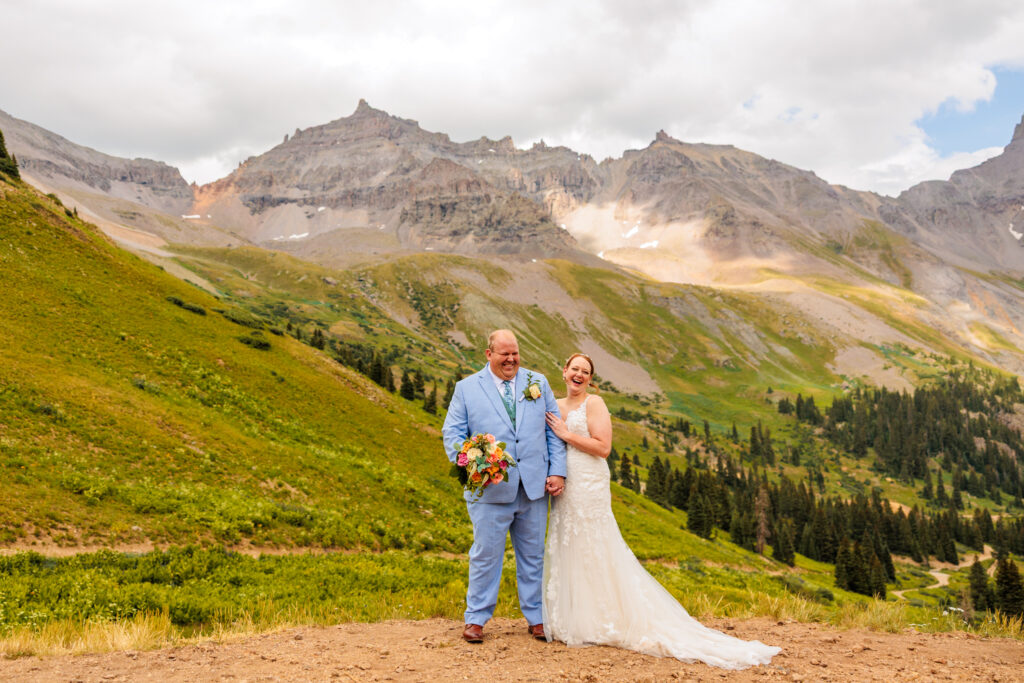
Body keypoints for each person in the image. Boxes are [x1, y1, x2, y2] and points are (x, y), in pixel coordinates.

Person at [542, 353, 780, 670]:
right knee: (568, 541)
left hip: (590, 481)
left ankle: (601, 617)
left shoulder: (594, 403)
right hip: (566, 484)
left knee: (593, 543)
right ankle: (571, 617)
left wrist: (567, 434)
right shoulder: (554, 406)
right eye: (575, 369)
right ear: (564, 371)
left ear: (590, 378)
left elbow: (603, 448)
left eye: (585, 372)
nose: (579, 375)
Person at [442, 329, 567, 643]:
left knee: (533, 555)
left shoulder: (537, 382)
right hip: (489, 490)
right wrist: (475, 463)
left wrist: (558, 471)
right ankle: (476, 619)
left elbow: (554, 431)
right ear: (489, 354)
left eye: (515, 353)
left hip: (534, 488)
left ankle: (537, 618)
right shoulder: (466, 388)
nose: (511, 359)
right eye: (504, 354)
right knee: (485, 555)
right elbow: (453, 434)